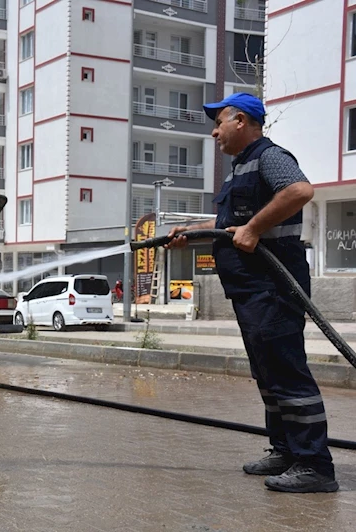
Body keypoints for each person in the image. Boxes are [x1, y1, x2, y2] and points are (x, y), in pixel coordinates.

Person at [165, 93, 338, 493]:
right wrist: (192, 231)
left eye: (219, 122)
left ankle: (314, 465)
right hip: (249, 291)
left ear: (241, 121)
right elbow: (231, 224)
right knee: (268, 375)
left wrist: (255, 228)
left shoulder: (269, 156)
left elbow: (299, 191)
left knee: (287, 374)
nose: (214, 132)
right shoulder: (240, 168)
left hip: (273, 289)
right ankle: (286, 450)